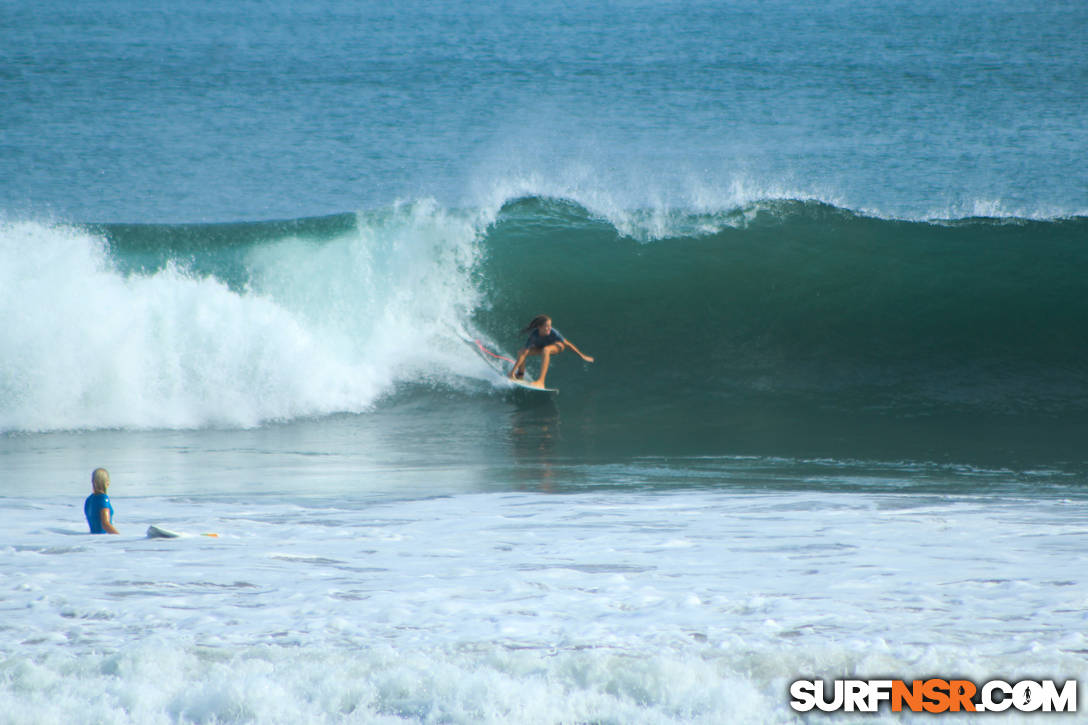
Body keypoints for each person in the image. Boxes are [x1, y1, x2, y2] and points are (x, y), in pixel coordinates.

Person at [509, 315, 594, 388]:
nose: (550, 328)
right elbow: (524, 353)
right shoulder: (534, 335)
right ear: (539, 327)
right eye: (547, 326)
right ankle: (520, 375)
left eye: (550, 325)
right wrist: (512, 371)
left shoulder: (554, 332)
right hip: (542, 348)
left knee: (546, 350)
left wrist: (582, 356)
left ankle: (541, 382)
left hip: (557, 347)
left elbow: (568, 344)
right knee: (521, 352)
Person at [84, 468, 119, 534]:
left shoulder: (89, 499)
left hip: (93, 537)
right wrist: (119, 537)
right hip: (103, 538)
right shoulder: (102, 498)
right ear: (106, 482)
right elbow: (105, 524)